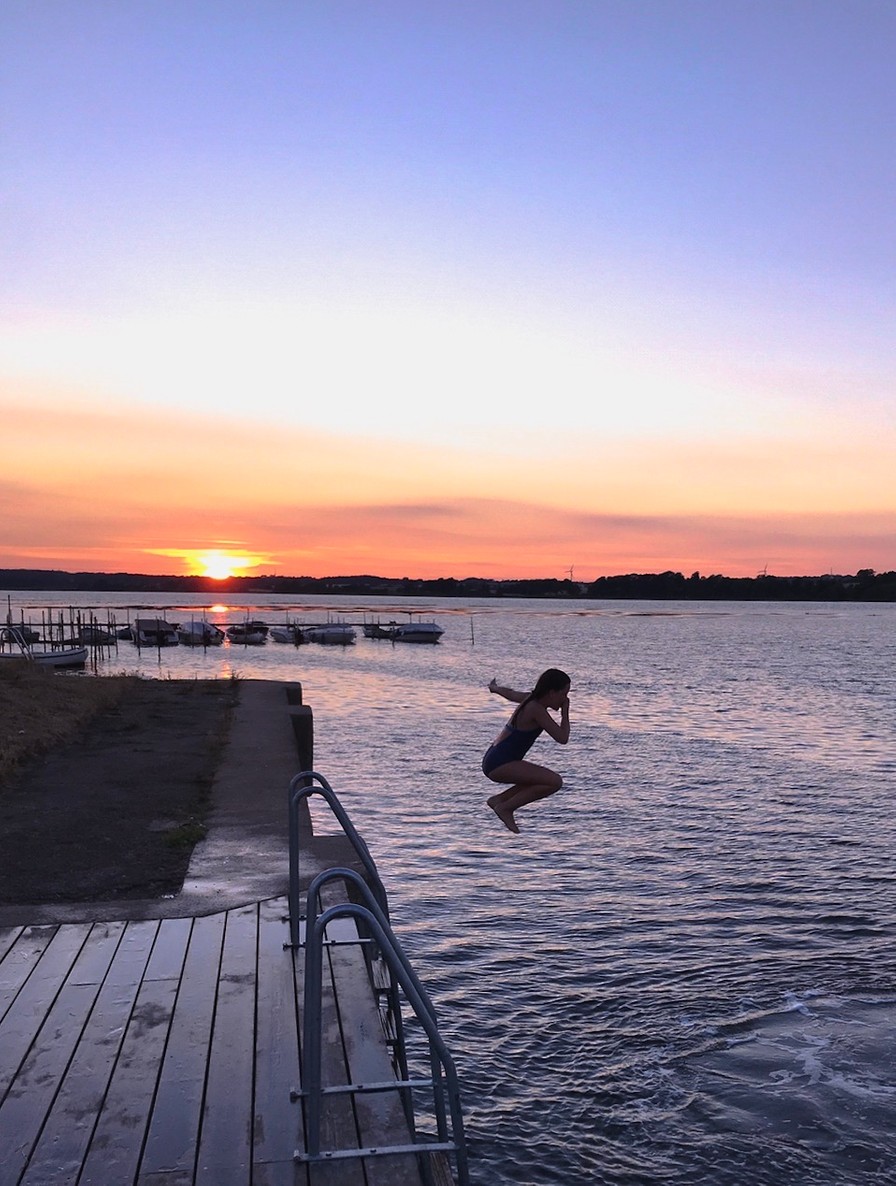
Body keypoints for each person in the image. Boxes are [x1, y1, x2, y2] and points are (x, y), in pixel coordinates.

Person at [481, 668, 571, 834]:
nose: (565, 699)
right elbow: (562, 737)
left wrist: (495, 688)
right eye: (564, 694)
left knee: (539, 780)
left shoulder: (529, 700)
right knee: (554, 781)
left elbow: (510, 693)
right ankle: (506, 807)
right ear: (552, 693)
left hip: (493, 759)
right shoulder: (537, 710)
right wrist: (565, 713)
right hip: (500, 763)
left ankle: (499, 800)